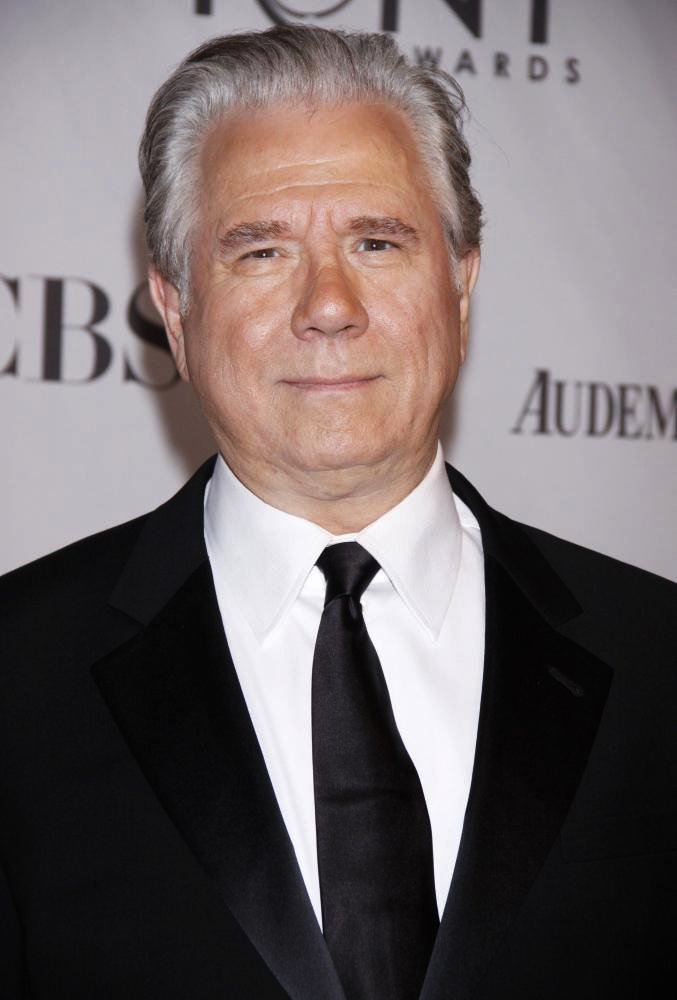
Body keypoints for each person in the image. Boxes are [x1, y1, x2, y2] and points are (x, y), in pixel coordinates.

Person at [1, 24, 675, 1000]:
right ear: (175, 310)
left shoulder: (657, 663)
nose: (327, 303)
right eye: (262, 250)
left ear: (460, 281)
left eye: (375, 240)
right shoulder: (19, 677)